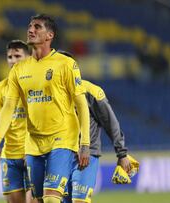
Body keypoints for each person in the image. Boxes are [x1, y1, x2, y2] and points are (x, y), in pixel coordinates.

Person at [0, 14, 91, 203]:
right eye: (29, 26)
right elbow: (9, 106)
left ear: (49, 35)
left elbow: (81, 104)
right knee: (39, 199)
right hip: (34, 143)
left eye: (37, 27)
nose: (30, 30)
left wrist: (84, 143)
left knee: (51, 197)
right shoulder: (20, 70)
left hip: (62, 139)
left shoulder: (66, 64)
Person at [58, 51, 131, 203]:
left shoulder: (91, 91)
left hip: (86, 155)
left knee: (80, 201)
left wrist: (122, 154)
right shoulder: (50, 94)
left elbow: (111, 123)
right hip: (58, 155)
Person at [0, 39, 34, 203]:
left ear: (28, 58)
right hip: (9, 157)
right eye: (10, 57)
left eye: (17, 56)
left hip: (33, 155)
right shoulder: (0, 89)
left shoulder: (35, 85)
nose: (13, 60)